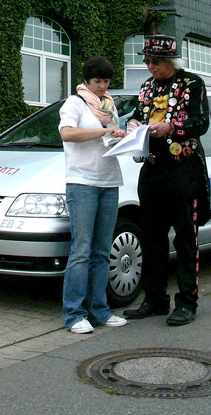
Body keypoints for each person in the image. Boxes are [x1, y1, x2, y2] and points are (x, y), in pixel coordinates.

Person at [123, 34, 210, 326]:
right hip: (153, 168)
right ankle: (155, 298)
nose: (150, 66)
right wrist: (133, 124)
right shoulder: (147, 87)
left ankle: (187, 302)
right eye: (147, 61)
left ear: (171, 61)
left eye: (155, 61)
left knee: (185, 237)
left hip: (183, 168)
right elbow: (136, 114)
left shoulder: (192, 83)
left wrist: (171, 128)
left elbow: (201, 123)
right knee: (152, 236)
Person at [59, 56, 128, 334]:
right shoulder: (74, 103)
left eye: (106, 81)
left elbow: (108, 137)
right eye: (97, 81)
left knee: (102, 251)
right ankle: (74, 314)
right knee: (81, 250)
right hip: (82, 182)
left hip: (109, 181)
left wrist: (124, 136)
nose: (102, 86)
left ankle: (100, 311)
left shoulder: (109, 106)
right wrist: (102, 131)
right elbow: (67, 133)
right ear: (86, 80)